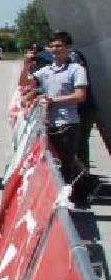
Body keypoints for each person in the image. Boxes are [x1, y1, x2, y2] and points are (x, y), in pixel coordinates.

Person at [33, 31, 94, 207]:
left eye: (59, 46)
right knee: (52, 165)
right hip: (50, 124)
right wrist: (26, 63)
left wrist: (53, 101)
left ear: (68, 48)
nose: (55, 49)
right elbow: (25, 83)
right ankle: (58, 199)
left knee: (66, 166)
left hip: (67, 124)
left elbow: (80, 95)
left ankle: (69, 200)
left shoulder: (76, 69)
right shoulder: (47, 70)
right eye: (52, 46)